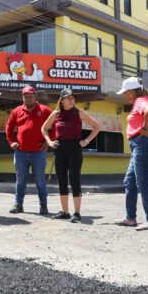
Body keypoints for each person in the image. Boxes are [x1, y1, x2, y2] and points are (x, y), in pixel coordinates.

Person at [41, 88, 100, 223]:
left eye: (72, 98)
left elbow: (97, 127)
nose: (71, 100)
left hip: (75, 149)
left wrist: (86, 141)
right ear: (61, 101)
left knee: (74, 180)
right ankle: (65, 212)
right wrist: (49, 141)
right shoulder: (55, 114)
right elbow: (44, 128)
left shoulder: (79, 112)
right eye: (68, 98)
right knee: (61, 181)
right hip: (60, 149)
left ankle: (77, 213)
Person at [114, 78, 148, 231]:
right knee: (130, 182)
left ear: (132, 92)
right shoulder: (140, 101)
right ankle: (130, 218)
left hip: (142, 144)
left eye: (126, 93)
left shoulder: (141, 101)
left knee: (143, 183)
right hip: (138, 146)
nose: (125, 96)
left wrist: (145, 128)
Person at [5, 86, 53, 215]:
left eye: (30, 96)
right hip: (20, 152)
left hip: (38, 152)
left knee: (40, 179)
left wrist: (48, 141)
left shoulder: (45, 110)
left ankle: (43, 206)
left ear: (35, 96)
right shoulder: (17, 111)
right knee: (20, 179)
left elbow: (55, 124)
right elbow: (9, 127)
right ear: (22, 98)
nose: (28, 98)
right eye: (25, 96)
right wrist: (11, 142)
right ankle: (18, 205)